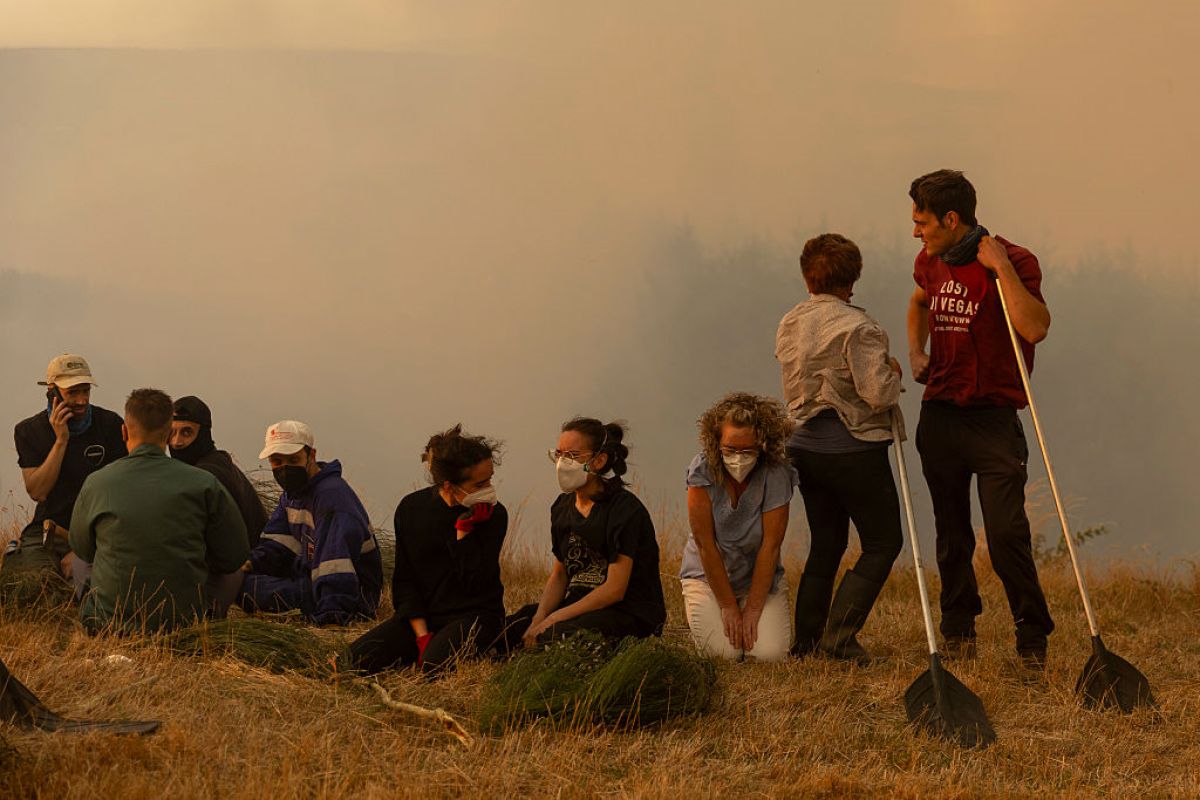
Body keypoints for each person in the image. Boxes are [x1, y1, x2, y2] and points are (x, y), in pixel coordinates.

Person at [906, 169, 1054, 672]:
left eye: (922, 221)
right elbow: (919, 301)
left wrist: (1001, 271)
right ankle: (958, 628)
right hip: (941, 413)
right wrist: (916, 348)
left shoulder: (1014, 259)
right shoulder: (930, 260)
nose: (915, 232)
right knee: (951, 534)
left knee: (1006, 531)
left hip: (994, 417)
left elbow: (1034, 326)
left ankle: (1032, 636)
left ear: (952, 218)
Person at [776, 233, 904, 663]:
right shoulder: (860, 328)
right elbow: (879, 395)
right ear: (852, 281)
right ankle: (841, 637)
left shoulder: (790, 321)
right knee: (883, 543)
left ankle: (807, 641)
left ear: (807, 277)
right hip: (854, 449)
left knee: (826, 543)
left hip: (804, 447)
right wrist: (893, 371)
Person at [67, 389, 249, 633]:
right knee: (233, 574)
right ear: (167, 435)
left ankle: (101, 608)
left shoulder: (96, 482)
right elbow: (234, 557)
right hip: (184, 624)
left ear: (124, 432)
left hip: (109, 625)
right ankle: (208, 619)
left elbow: (83, 548)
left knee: (79, 561)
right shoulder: (204, 483)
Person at [347, 425, 507, 675]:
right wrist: (422, 636)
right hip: (425, 616)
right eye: (480, 483)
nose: (489, 488)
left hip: (476, 615)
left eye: (490, 479)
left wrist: (464, 533)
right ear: (449, 485)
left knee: (434, 667)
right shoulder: (412, 509)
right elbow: (406, 580)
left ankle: (487, 647)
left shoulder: (494, 515)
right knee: (352, 662)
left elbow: (477, 584)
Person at [505, 418, 666, 649]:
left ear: (599, 460)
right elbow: (560, 575)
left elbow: (614, 590)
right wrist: (539, 618)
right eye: (558, 454)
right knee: (509, 629)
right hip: (579, 604)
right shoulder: (561, 507)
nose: (562, 463)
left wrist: (554, 619)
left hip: (624, 611)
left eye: (572, 456)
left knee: (552, 638)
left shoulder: (624, 510)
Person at [679, 393, 796, 662]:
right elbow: (705, 544)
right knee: (722, 655)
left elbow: (771, 546)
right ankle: (706, 616)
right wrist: (729, 607)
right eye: (730, 450)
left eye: (748, 450)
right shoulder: (702, 471)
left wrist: (753, 609)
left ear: (763, 445)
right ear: (716, 443)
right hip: (707, 578)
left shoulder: (776, 473)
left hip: (758, 577)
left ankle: (753, 615)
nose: (739, 458)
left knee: (769, 655)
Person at [239, 420, 383, 626]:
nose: (284, 468)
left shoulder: (331, 498)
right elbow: (278, 545)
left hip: (351, 596)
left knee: (249, 591)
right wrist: (248, 564)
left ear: (311, 455)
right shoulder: (292, 494)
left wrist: (331, 620)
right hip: (310, 582)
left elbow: (335, 567)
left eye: (293, 459)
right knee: (242, 584)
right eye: (277, 461)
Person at [3, 354, 127, 590]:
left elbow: (121, 491)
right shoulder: (29, 431)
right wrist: (61, 441)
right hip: (49, 530)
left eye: (86, 391)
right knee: (29, 584)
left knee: (104, 581)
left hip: (100, 532)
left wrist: (83, 549)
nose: (81, 401)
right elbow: (38, 491)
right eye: (72, 392)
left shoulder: (110, 424)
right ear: (52, 392)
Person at [169, 395, 268, 547]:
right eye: (171, 433)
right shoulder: (217, 464)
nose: (176, 442)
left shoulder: (208, 474)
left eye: (186, 432)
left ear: (203, 434)